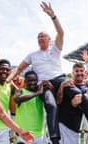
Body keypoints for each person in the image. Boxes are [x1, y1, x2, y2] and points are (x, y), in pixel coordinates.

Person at [7, 2, 65, 144]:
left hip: (59, 80)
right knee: (51, 106)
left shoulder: (55, 51)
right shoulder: (32, 55)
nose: (40, 38)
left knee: (78, 98)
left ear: (49, 39)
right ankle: (55, 139)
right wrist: (8, 79)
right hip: (44, 86)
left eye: (42, 36)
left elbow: (61, 32)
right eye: (38, 37)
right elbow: (19, 69)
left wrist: (53, 16)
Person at [14, 70, 48, 144]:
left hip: (39, 134)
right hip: (24, 134)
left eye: (34, 80)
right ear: (25, 81)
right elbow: (17, 99)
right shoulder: (20, 91)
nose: (32, 83)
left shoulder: (41, 93)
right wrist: (37, 93)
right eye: (30, 80)